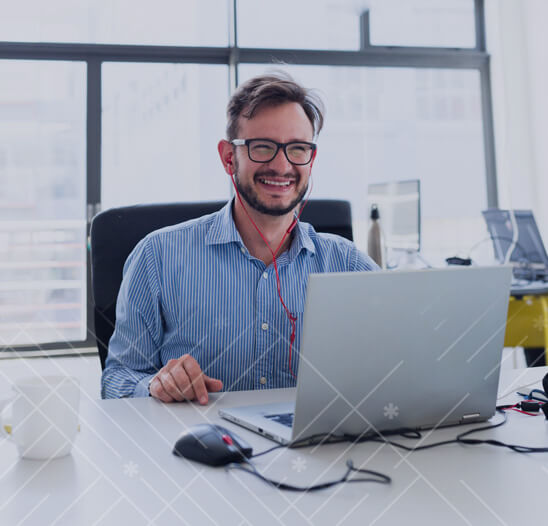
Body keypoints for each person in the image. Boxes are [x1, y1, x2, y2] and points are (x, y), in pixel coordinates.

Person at [101, 72, 378, 402]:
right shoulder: (157, 257)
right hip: (203, 450)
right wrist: (153, 386)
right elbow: (116, 379)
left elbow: (401, 362)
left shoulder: (348, 264)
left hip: (317, 450)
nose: (282, 165)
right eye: (263, 147)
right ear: (228, 157)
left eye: (298, 148)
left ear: (311, 158)